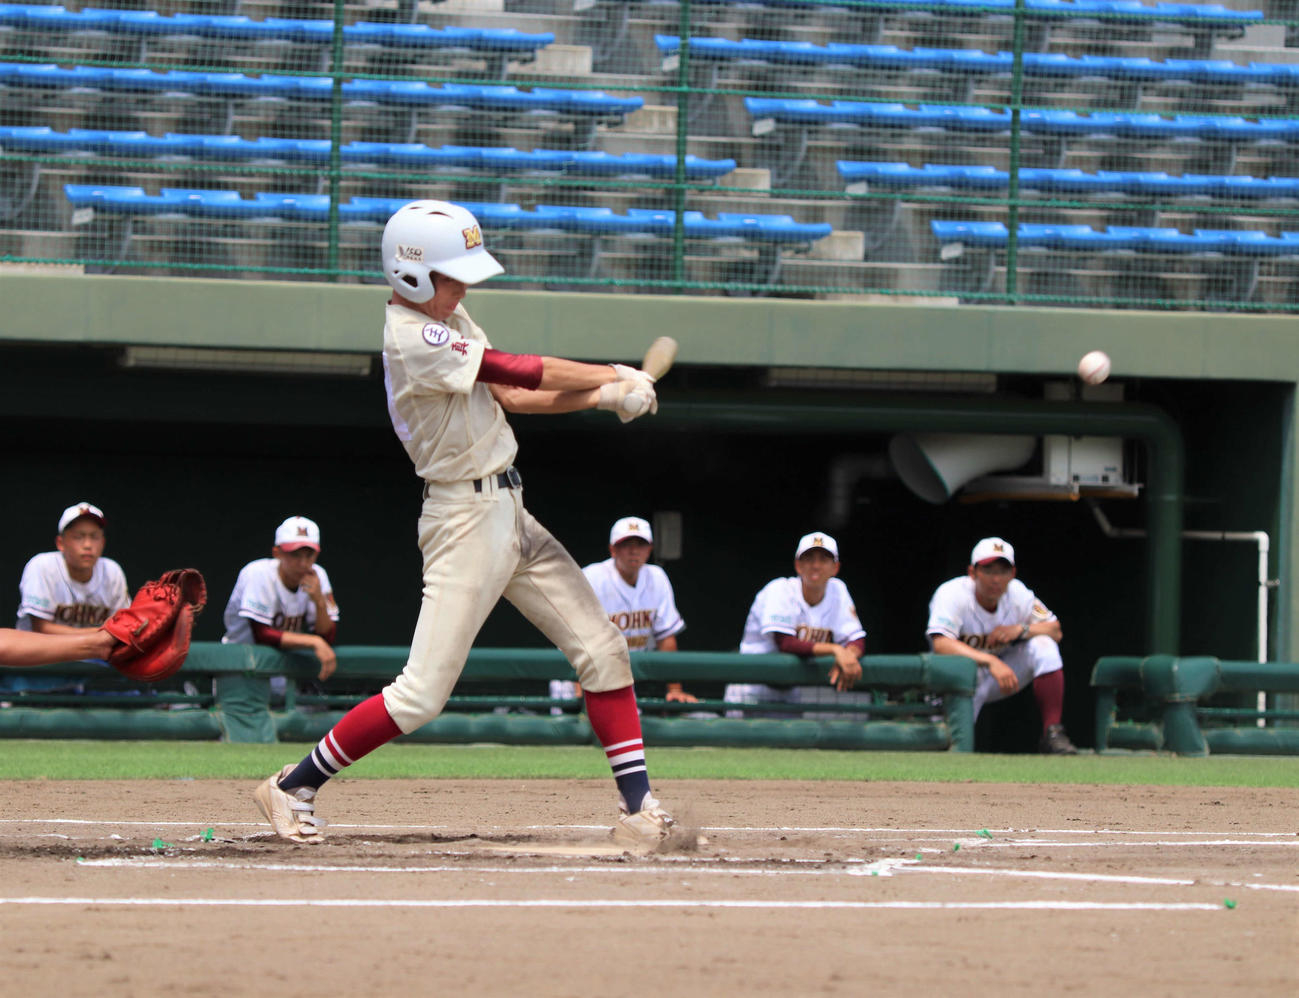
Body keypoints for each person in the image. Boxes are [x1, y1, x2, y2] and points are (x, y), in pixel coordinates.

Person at [253, 199, 673, 846]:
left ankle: (638, 807)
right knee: (420, 695)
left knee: (602, 650)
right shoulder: (411, 334)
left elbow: (510, 397)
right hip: (463, 518)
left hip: (508, 508)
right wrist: (613, 371)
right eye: (453, 275)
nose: (464, 285)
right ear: (413, 274)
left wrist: (602, 396)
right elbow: (516, 369)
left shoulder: (446, 315)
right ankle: (291, 787)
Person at [925, 536, 1078, 754]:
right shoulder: (951, 593)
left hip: (999, 672)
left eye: (1003, 571)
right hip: (954, 680)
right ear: (972, 572)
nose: (996, 579)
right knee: (945, 746)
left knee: (1045, 645)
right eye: (988, 570)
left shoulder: (1018, 594)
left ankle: (1052, 733)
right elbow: (940, 644)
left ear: (1012, 574)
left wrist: (1021, 630)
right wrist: (990, 660)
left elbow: (1055, 630)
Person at [550, 516, 695, 710]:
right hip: (575, 672)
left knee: (625, 733)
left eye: (640, 544)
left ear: (650, 549)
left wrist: (675, 690)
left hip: (622, 676)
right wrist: (578, 682)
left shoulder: (657, 578)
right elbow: (572, 635)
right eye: (626, 544)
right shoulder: (592, 577)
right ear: (613, 550)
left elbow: (665, 637)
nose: (634, 550)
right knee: (569, 732)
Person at [724, 532, 865, 714]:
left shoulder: (838, 590)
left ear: (835, 568)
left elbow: (856, 638)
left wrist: (849, 655)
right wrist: (836, 650)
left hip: (791, 691)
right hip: (752, 688)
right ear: (798, 566)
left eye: (823, 559)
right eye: (808, 559)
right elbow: (785, 643)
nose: (815, 565)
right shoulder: (779, 589)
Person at [1, 502, 130, 695]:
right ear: (61, 543)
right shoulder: (42, 566)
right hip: (41, 663)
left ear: (103, 543)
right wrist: (100, 638)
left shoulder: (112, 572)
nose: (87, 545)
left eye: (94, 537)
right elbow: (41, 629)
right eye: (79, 537)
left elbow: (122, 628)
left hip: (94, 665)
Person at [221, 516, 340, 684]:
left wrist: (319, 602)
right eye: (295, 554)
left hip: (282, 670)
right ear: (277, 553)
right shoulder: (257, 573)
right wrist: (314, 642)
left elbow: (327, 636)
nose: (303, 563)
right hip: (239, 664)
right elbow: (261, 635)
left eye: (309, 555)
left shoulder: (317, 575)